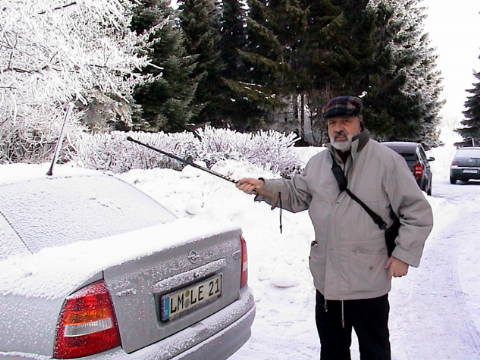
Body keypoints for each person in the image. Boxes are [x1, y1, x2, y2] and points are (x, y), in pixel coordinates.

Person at [236, 96, 433, 360]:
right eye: (332, 123)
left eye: (346, 122)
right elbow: (297, 194)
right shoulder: (317, 163)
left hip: (369, 281)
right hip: (328, 283)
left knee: (375, 352)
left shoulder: (386, 161)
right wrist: (263, 187)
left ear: (359, 124)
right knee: (332, 351)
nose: (338, 128)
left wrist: (403, 255)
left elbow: (417, 212)